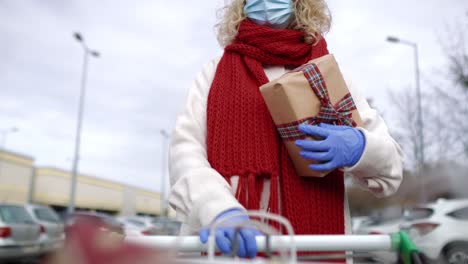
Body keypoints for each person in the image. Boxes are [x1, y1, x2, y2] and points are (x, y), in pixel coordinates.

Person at [169, 0, 403, 259]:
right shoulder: (214, 73)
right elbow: (185, 151)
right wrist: (217, 210)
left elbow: (391, 168)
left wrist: (360, 147)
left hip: (314, 253)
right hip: (232, 250)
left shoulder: (328, 74)